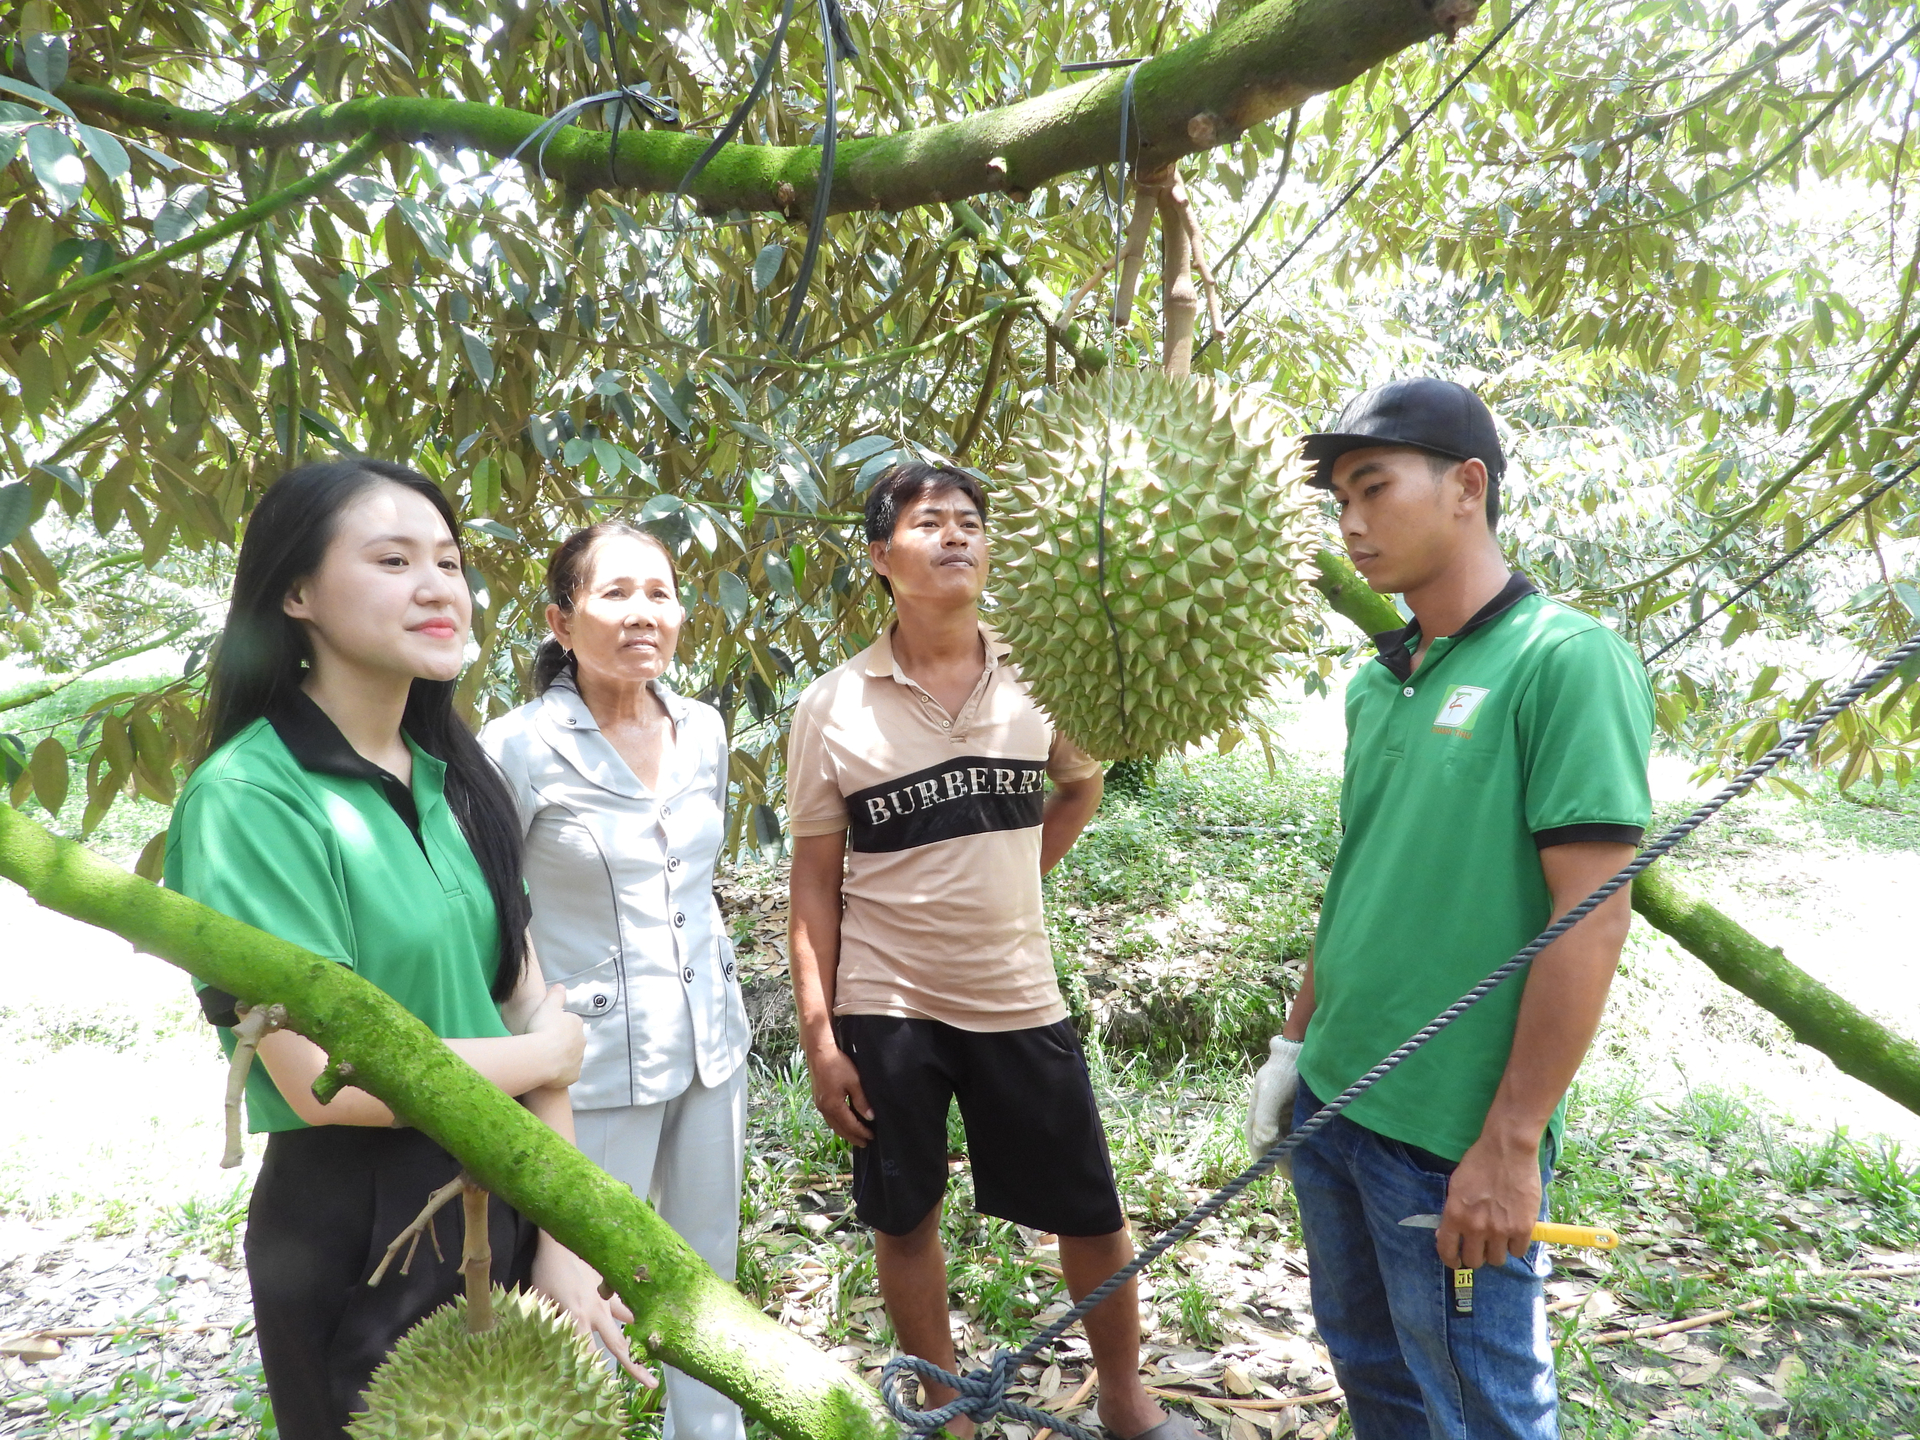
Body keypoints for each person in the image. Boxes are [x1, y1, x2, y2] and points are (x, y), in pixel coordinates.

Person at [166, 461, 634, 1439]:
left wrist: (564, 1234)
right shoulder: (249, 799)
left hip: (505, 1178)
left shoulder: (458, 780)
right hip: (359, 1218)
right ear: (296, 594)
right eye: (392, 559)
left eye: (450, 562)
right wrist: (546, 1058)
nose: (437, 585)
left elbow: (525, 999)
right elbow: (318, 1079)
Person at [1244, 379, 1654, 1439]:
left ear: (1468, 486)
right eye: (1339, 499)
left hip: (1447, 1137)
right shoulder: (1381, 683)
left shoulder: (1564, 660)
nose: (1351, 522)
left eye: (1373, 488)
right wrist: (1295, 1046)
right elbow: (1359, 875)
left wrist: (1511, 1145)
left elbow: (1593, 915)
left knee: (1480, 1408)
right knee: (1376, 1380)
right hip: (1337, 1103)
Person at [785, 461, 1195, 1440]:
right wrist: (820, 1033)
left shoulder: (1041, 676)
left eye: (971, 521)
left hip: (1018, 991)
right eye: (931, 523)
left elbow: (1080, 788)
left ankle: (1129, 1398)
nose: (958, 537)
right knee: (904, 1213)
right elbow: (811, 883)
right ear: (881, 556)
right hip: (887, 1003)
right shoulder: (831, 707)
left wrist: (1013, 878)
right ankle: (942, 1404)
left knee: (1090, 1211)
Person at [481, 522, 751, 1440]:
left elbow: (696, 887)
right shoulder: (513, 747)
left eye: (662, 594)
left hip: (712, 1041)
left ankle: (708, 1432)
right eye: (616, 594)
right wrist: (531, 1039)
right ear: (563, 620)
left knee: (707, 1270)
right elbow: (493, 916)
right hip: (587, 1063)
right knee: (579, 1277)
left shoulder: (703, 729)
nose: (645, 614)